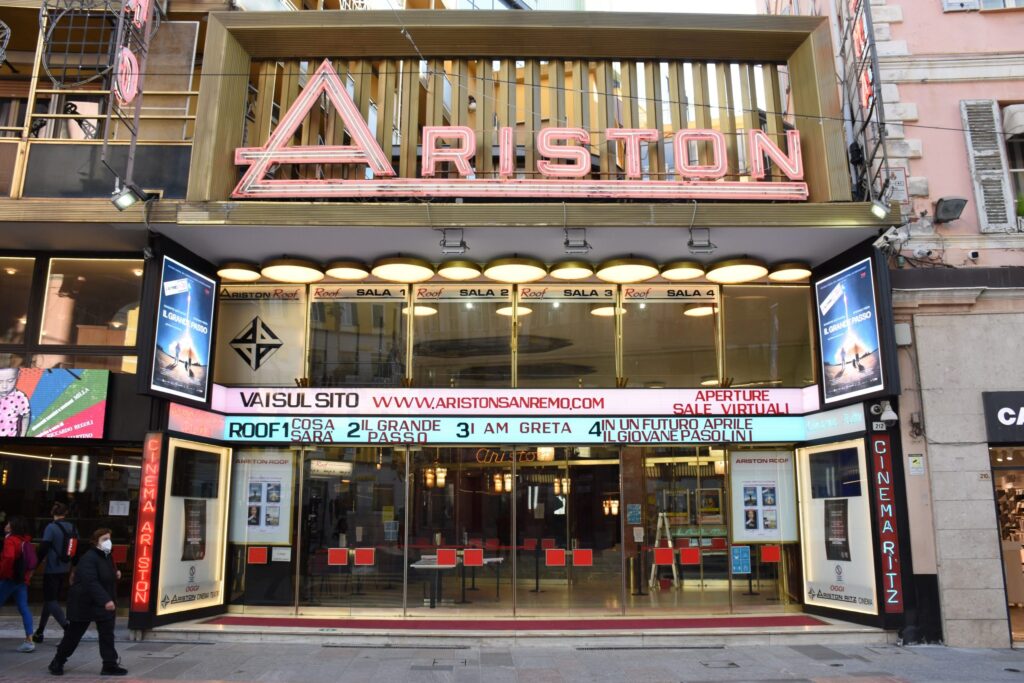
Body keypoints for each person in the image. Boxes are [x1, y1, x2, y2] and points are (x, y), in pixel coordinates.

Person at [48, 528, 126, 677]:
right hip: (84, 602)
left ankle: (109, 664)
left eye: (109, 539)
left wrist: (115, 574)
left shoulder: (107, 556)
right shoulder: (89, 558)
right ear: (96, 541)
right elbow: (90, 581)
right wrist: (106, 600)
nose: (108, 542)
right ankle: (58, 661)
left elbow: (104, 576)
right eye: (104, 539)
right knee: (74, 634)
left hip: (102, 602)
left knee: (107, 635)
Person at [33, 502, 75, 642]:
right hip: (66, 567)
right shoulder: (72, 527)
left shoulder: (51, 528)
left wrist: (33, 566)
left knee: (50, 600)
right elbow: (76, 548)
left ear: (52, 513)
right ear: (66, 513)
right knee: (50, 600)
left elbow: (43, 549)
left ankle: (67, 628)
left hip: (52, 568)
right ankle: (40, 631)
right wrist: (74, 567)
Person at [0, 516, 37, 652]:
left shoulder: (10, 540)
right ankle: (29, 640)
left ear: (13, 527)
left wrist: (2, 573)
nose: (6, 525)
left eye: (8, 524)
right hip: (21, 580)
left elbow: (9, 558)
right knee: (23, 607)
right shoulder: (25, 540)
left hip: (9, 578)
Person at [0, 367, 31, 437]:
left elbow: (26, 416)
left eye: (10, 381)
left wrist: (22, 435)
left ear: (18, 375)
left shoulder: (19, 397)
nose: (4, 386)